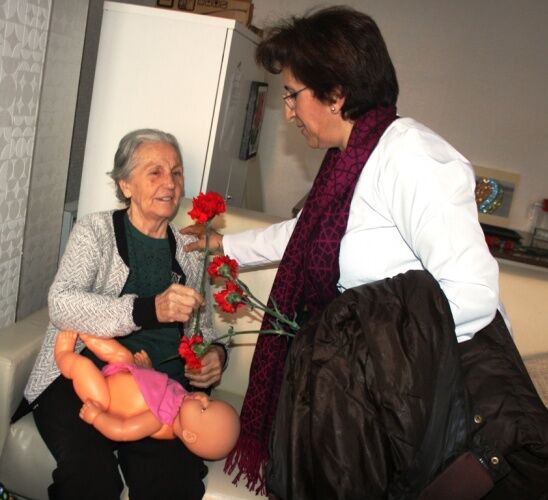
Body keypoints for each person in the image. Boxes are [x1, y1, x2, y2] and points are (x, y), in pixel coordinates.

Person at [183, 6, 548, 499]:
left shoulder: (413, 157)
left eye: (292, 95)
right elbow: (307, 234)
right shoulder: (350, 159)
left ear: (335, 95)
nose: (287, 112)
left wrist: (357, 348)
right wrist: (225, 245)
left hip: (420, 406)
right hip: (373, 399)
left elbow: (473, 295)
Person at [24, 129, 227, 499]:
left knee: (174, 487)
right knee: (90, 481)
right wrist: (147, 309)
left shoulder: (191, 249)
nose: (170, 183)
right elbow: (61, 303)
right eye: (155, 172)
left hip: (160, 393)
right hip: (85, 380)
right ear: (125, 184)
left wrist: (215, 355)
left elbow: (205, 332)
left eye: (176, 173)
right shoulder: (96, 231)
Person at [54, 331, 240, 461]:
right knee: (122, 354)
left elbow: (123, 430)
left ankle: (63, 355)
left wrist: (97, 417)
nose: (203, 398)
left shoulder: (159, 419)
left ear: (189, 435)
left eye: (204, 408)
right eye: (210, 400)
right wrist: (147, 371)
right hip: (127, 371)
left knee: (84, 367)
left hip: (105, 396)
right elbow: (158, 388)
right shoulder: (182, 399)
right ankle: (88, 335)